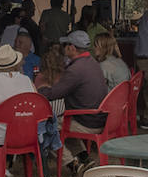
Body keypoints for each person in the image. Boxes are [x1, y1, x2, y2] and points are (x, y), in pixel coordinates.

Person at [37, 30, 108, 162]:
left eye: (65, 45)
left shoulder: (76, 69)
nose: (63, 48)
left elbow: (54, 93)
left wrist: (37, 91)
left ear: (72, 48)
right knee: (63, 122)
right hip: (97, 117)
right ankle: (83, 157)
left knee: (47, 126)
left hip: (87, 121)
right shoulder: (92, 62)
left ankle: (70, 162)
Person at [0, 44, 38, 146]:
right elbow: (37, 107)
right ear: (16, 63)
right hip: (27, 135)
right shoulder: (27, 80)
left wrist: (0, 116)